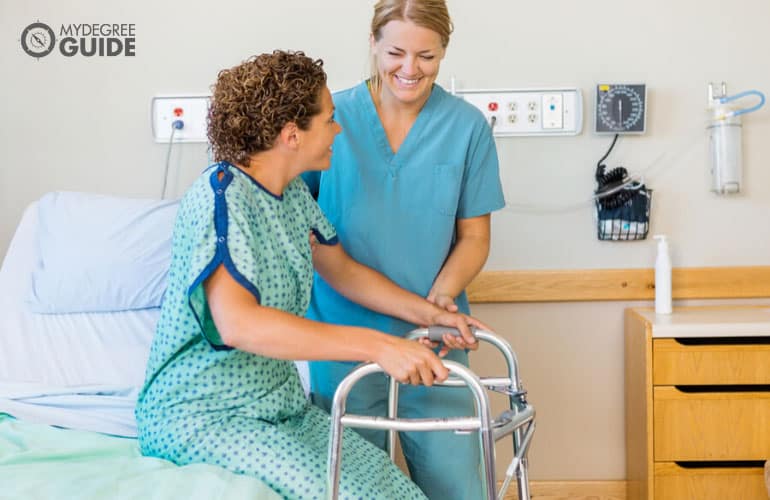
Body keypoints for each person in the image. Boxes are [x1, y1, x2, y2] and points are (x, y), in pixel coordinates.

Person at [135, 50, 487, 500]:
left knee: (397, 491)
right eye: (329, 121)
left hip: (281, 410)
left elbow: (343, 271)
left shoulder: (292, 195)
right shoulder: (220, 198)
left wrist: (432, 315)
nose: (338, 130)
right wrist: (378, 346)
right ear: (291, 135)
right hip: (205, 417)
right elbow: (238, 323)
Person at [302, 1, 506, 498]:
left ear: (444, 53)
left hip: (435, 339)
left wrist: (439, 302)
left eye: (427, 56)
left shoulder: (467, 127)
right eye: (396, 52)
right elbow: (308, 238)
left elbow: (475, 237)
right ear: (373, 44)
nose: (410, 70)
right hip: (343, 338)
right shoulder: (330, 121)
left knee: (459, 484)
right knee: (355, 487)